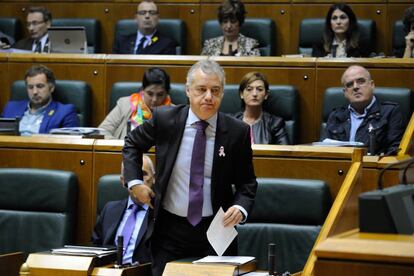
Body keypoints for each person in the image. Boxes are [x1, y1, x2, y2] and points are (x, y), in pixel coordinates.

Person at [122, 59, 257, 276]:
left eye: (215, 90)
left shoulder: (237, 131)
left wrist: (240, 207)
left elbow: (247, 182)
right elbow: (132, 143)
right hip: (169, 230)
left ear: (223, 93)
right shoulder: (165, 119)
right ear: (187, 90)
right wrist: (135, 182)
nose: (208, 97)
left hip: (215, 231)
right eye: (201, 89)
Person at [323, 65, 405, 155]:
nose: (355, 87)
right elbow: (325, 150)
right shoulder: (336, 116)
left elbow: (395, 151)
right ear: (345, 92)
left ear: (372, 85)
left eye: (361, 81)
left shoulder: (390, 112)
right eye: (350, 84)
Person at [92, 155, 155, 265]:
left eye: (144, 174)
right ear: (123, 181)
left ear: (154, 178)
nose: (138, 181)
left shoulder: (162, 214)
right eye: (133, 175)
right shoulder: (110, 210)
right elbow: (95, 247)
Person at [1, 64, 79, 135]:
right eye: (30, 87)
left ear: (51, 88)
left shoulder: (65, 112)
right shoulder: (11, 108)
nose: (35, 92)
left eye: (40, 86)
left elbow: (69, 145)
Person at [98, 67, 172, 139]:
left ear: (166, 93)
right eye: (150, 94)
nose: (154, 99)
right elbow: (103, 131)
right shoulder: (124, 104)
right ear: (143, 90)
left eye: (160, 95)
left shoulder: (175, 113)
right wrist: (119, 147)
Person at [233, 72, 289, 145]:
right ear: (241, 94)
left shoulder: (275, 124)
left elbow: (285, 152)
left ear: (266, 94)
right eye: (249, 89)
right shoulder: (230, 122)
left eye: (259, 89)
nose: (254, 94)